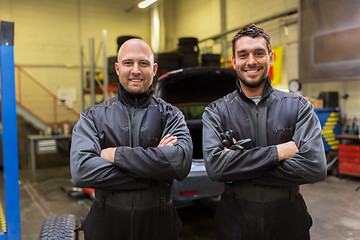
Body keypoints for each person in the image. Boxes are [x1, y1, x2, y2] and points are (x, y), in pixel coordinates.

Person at [202, 23, 327, 240]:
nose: (251, 61)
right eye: (243, 54)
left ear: (271, 57)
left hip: (288, 221)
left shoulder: (298, 106)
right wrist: (278, 153)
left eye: (259, 53)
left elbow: (315, 167)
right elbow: (215, 168)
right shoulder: (216, 111)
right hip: (235, 222)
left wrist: (239, 166)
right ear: (234, 61)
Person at [70, 38, 193, 240]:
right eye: (128, 63)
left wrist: (115, 154)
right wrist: (154, 170)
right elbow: (82, 171)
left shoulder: (171, 115)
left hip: (159, 227)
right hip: (107, 227)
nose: (135, 70)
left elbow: (180, 164)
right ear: (117, 69)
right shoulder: (92, 116)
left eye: (143, 63)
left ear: (154, 69)